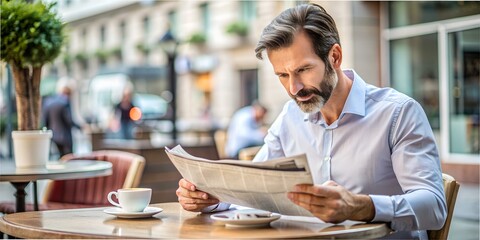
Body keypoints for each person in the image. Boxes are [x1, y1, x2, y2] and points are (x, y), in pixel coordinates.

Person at [176, 4, 446, 239]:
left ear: (335, 57)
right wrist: (212, 200)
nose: (293, 88)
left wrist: (362, 207)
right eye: (282, 75)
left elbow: (434, 207)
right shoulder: (290, 116)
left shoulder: (398, 113)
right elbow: (253, 194)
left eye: (303, 70)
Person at [42, 79, 82, 157]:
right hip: (65, 137)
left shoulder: (49, 102)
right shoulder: (65, 102)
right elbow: (69, 120)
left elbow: (45, 120)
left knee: (60, 158)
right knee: (68, 159)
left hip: (53, 136)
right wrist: (80, 127)